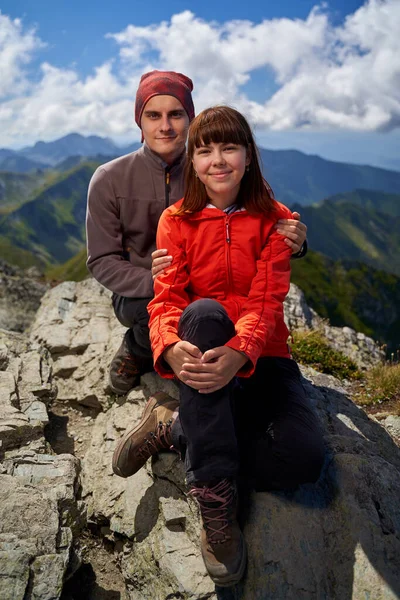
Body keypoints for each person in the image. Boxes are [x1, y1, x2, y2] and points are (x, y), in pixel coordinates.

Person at [111, 106, 325, 588]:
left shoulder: (277, 222)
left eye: (229, 147)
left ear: (249, 155)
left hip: (264, 355)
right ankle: (214, 496)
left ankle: (177, 428)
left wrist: (242, 352)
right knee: (204, 312)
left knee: (305, 460)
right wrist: (166, 346)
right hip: (203, 349)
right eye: (204, 150)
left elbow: (267, 300)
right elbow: (165, 299)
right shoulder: (176, 221)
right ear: (192, 161)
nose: (217, 160)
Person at [86, 70, 308, 396]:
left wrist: (296, 243)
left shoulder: (216, 169)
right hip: (144, 288)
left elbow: (259, 223)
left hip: (208, 289)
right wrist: (157, 281)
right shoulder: (109, 178)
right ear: (139, 121)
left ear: (190, 119)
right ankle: (138, 348)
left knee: (209, 314)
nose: (165, 126)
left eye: (176, 114)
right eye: (153, 115)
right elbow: (102, 259)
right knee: (151, 310)